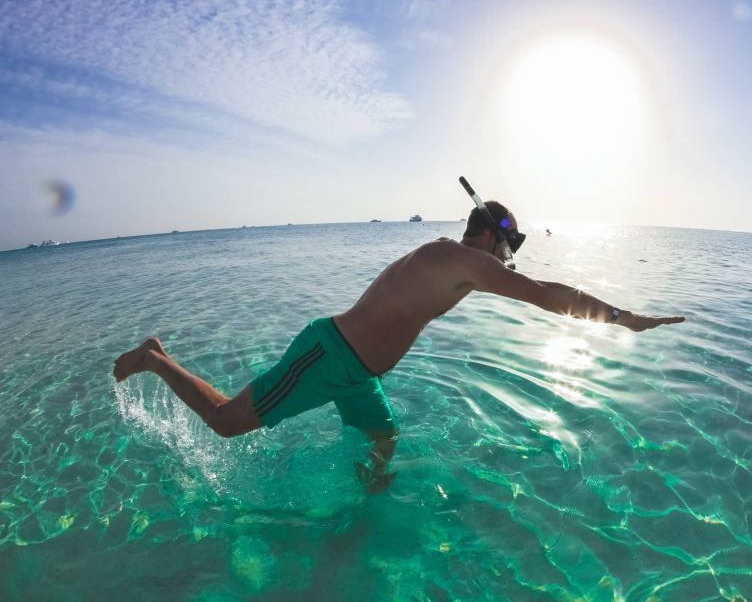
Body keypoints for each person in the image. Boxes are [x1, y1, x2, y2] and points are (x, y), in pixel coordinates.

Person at [113, 197, 685, 493]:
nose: (509, 259)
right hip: (330, 354)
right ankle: (154, 357)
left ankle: (357, 520)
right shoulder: (459, 258)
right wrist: (621, 318)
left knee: (383, 439)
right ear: (489, 236)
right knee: (225, 422)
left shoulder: (461, 264)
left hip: (360, 375)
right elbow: (543, 293)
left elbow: (527, 281)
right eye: (509, 246)